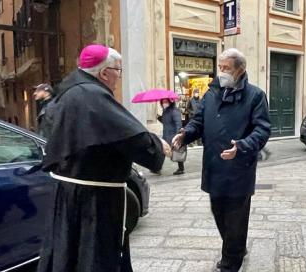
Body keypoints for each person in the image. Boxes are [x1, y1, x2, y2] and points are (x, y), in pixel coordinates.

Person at [37, 44, 171, 272]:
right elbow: (130, 137)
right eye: (118, 70)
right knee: (95, 256)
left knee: (69, 253)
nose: (119, 77)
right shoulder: (93, 96)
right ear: (104, 73)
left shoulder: (66, 93)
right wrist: (158, 146)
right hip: (94, 200)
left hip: (68, 192)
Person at [172, 48, 271, 272]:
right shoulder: (211, 94)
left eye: (226, 68)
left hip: (239, 169)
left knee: (235, 217)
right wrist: (186, 134)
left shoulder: (255, 96)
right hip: (214, 167)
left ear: (240, 70)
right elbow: (198, 122)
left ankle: (230, 261)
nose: (221, 72)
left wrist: (243, 146)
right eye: (220, 68)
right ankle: (236, 247)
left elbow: (262, 130)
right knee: (218, 213)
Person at [158, 98, 185, 175]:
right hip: (166, 135)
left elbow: (178, 124)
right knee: (162, 150)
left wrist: (178, 135)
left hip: (173, 135)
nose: (164, 103)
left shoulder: (175, 111)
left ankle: (181, 168)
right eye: (163, 102)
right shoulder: (165, 111)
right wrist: (159, 118)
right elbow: (166, 122)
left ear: (170, 102)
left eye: (166, 102)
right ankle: (157, 167)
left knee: (177, 151)